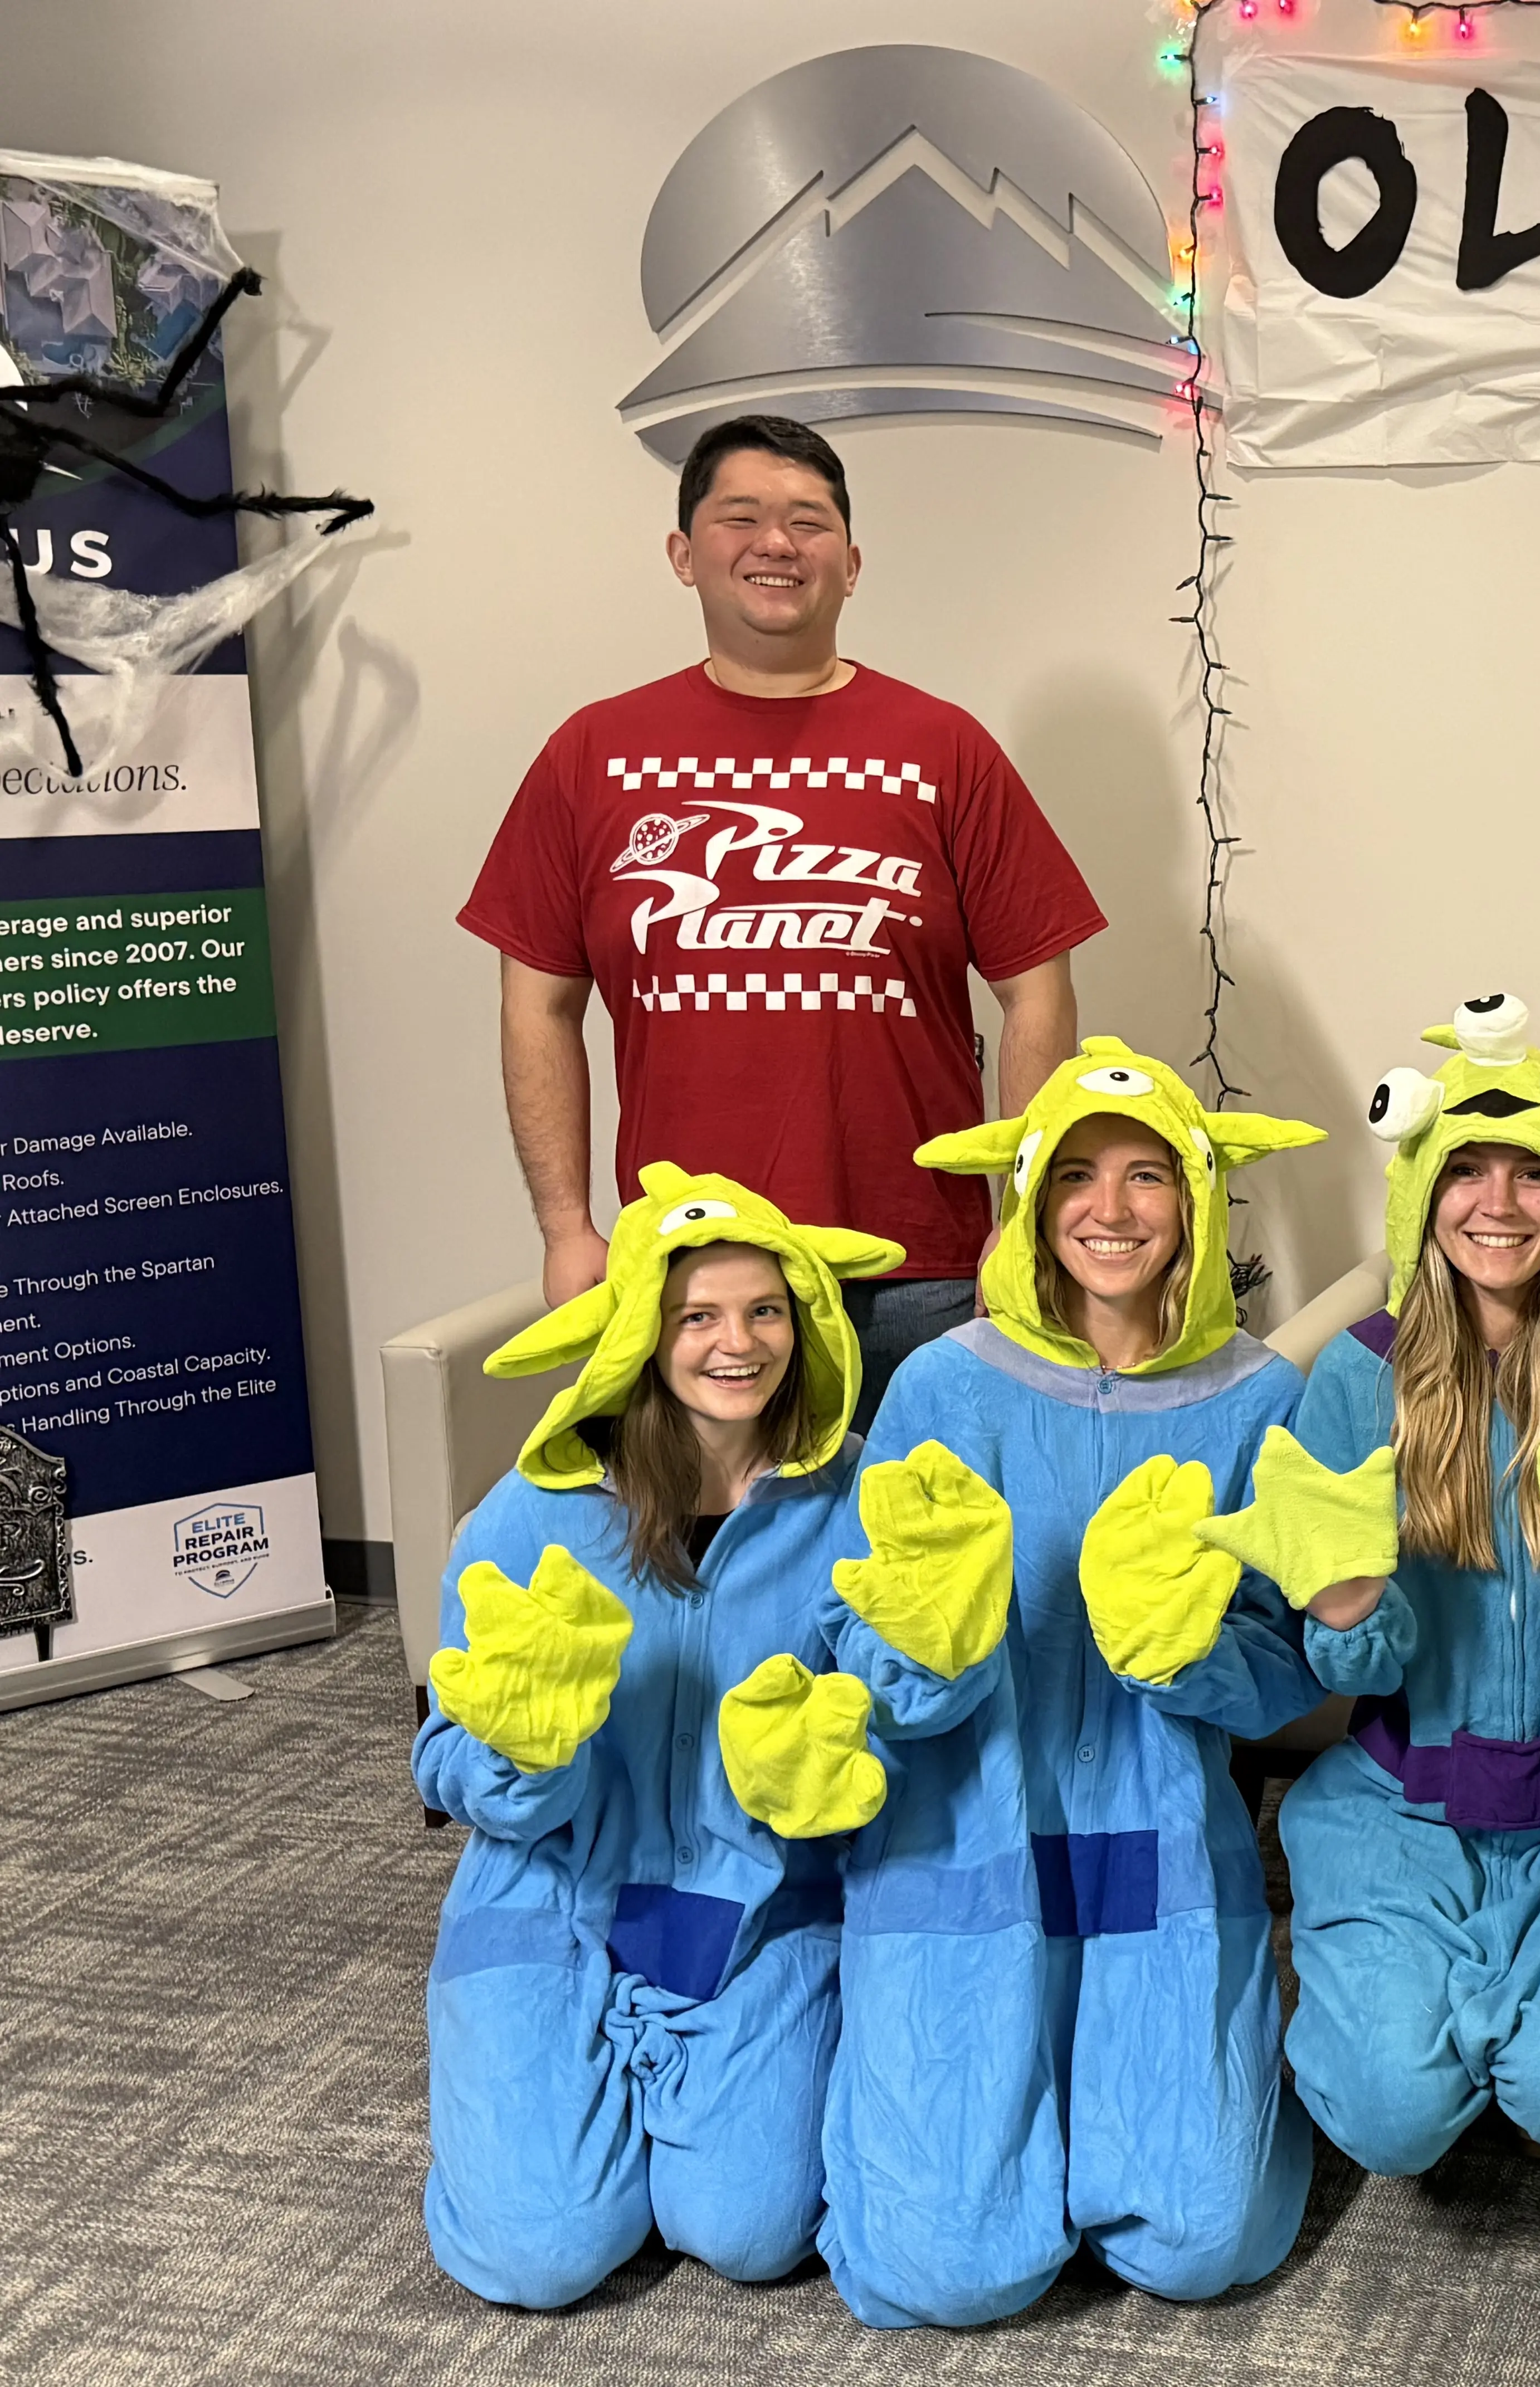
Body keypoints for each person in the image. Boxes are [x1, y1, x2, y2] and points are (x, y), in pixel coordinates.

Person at [777, 1037, 1331, 2328]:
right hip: (960, 1838)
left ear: (1196, 1199)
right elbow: (855, 1643)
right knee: (948, 2275)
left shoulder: (1264, 1401)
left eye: (1150, 1177)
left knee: (1198, 2249)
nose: (1113, 1210)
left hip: (1159, 1846)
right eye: (1078, 1174)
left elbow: (1286, 1675)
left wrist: (1191, 1655)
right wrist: (919, 1645)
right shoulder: (941, 1385)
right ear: (1031, 1197)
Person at [459, 412, 1107, 1428]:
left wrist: (1016, 1218)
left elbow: (1038, 988)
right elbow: (535, 1003)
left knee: (932, 1569)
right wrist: (565, 1227)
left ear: (851, 565)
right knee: (708, 1565)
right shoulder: (591, 756)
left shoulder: (943, 749)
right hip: (692, 1271)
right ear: (684, 554)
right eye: (742, 517)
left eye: (809, 523)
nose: (777, 543)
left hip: (920, 1275)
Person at [1207, 992, 1540, 2175]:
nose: (1497, 1205)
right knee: (1391, 2123)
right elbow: (1349, 1650)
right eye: (1468, 1171)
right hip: (1409, 1806)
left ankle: (1526, 2022)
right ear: (1423, 1192)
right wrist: (1347, 1616)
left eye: (1533, 1174)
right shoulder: (1362, 1371)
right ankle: (1457, 2024)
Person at [415, 1162, 905, 2308]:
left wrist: (843, 1765)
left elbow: (902, 1718)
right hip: (552, 1903)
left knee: (750, 2232)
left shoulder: (857, 1497)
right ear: (644, 1330)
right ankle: (555, 2112)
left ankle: (666, 2118)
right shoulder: (534, 1508)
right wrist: (521, 1760)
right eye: (698, 1316)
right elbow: (441, 1748)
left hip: (758, 1911)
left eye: (765, 1311)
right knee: (537, 2257)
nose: (737, 1344)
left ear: (807, 1321)